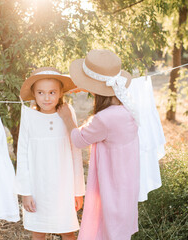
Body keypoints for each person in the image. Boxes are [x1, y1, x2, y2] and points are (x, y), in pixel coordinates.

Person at [58, 50, 140, 240]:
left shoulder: (104, 119)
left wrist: (67, 118)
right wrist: (90, 87)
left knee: (108, 228)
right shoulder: (128, 108)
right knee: (119, 227)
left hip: (111, 183)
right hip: (126, 181)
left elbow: (78, 139)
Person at [15, 67, 85, 240]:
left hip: (64, 186)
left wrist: (78, 191)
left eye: (52, 92)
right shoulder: (29, 116)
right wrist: (25, 192)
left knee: (67, 231)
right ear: (34, 93)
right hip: (38, 187)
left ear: (61, 92)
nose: (47, 98)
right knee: (38, 231)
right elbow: (22, 155)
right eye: (41, 92)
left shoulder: (68, 113)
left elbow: (76, 153)